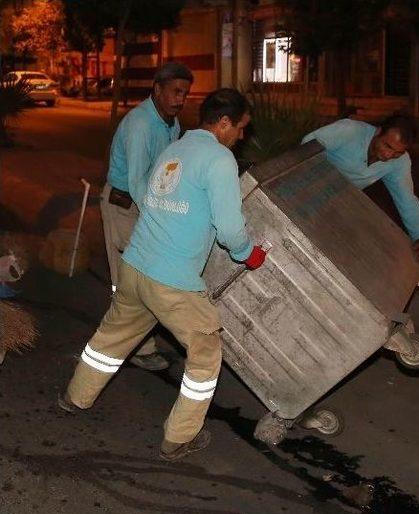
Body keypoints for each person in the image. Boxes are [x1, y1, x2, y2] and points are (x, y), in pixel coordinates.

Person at [59, 88, 265, 461]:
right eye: (240, 128)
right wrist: (248, 254)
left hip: (135, 266)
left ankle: (75, 397)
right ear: (223, 124)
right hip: (173, 282)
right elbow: (231, 229)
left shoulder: (176, 148)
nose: (241, 136)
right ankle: (179, 438)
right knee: (205, 353)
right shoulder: (219, 159)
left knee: (110, 338)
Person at [100, 62, 193, 371]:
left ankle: (135, 344)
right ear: (157, 89)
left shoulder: (171, 122)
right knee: (130, 282)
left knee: (142, 280)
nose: (180, 99)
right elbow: (139, 180)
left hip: (145, 205)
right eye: (175, 92)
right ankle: (123, 349)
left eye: (185, 93)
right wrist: (157, 221)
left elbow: (168, 170)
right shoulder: (141, 124)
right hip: (125, 207)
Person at [302, 115, 419, 265]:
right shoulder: (349, 131)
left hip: (334, 204)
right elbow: (306, 147)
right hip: (303, 188)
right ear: (378, 132)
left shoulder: (400, 162)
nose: (389, 155)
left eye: (397, 153)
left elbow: (406, 199)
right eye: (387, 146)